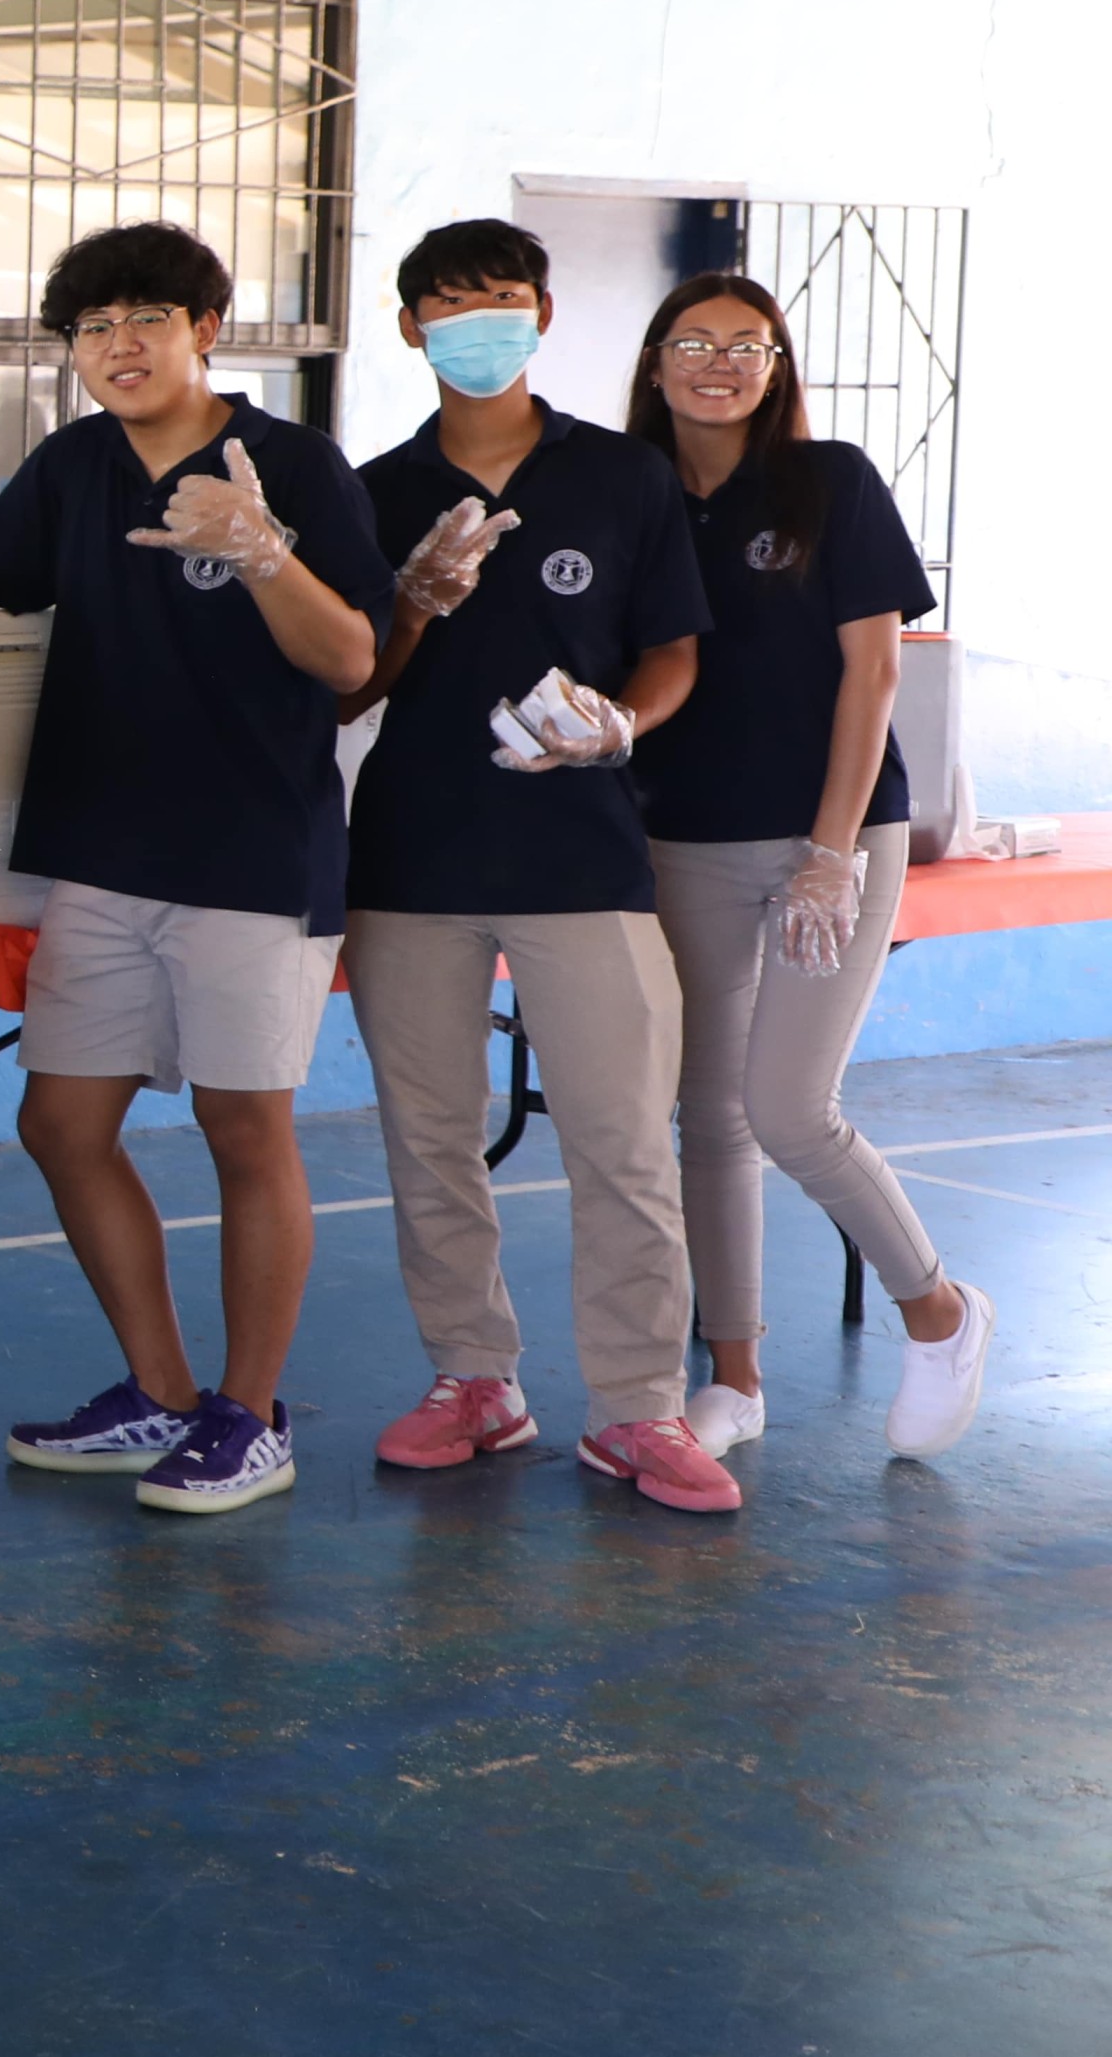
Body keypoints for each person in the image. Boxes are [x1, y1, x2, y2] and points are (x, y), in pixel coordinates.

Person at [0, 223, 394, 1518]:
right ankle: (163, 1396)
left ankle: (250, 1415)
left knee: (248, 1129)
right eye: (91, 328)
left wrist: (260, 549)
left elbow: (353, 663)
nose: (118, 346)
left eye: (145, 318)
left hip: (251, 853)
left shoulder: (293, 466)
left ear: (204, 330)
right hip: (102, 852)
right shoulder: (74, 466)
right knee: (61, 1123)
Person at [342, 222, 727, 1513]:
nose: (477, 322)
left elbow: (673, 650)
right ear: (409, 329)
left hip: (586, 858)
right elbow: (351, 687)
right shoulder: (370, 490)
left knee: (622, 1142)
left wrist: (626, 722)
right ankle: (475, 1381)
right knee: (430, 1139)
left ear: (544, 313)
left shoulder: (623, 477)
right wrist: (411, 603)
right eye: (448, 305)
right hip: (412, 857)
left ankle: (638, 1408)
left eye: (500, 299)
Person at [624, 273, 990, 1457]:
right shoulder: (634, 495)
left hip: (832, 836)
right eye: (695, 341)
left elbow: (872, 675)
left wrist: (830, 852)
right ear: (657, 358)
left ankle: (937, 1312)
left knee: (788, 1104)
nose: (719, 362)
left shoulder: (829, 483)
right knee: (708, 1117)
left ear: (776, 366)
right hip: (680, 835)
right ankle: (733, 1379)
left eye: (748, 344)